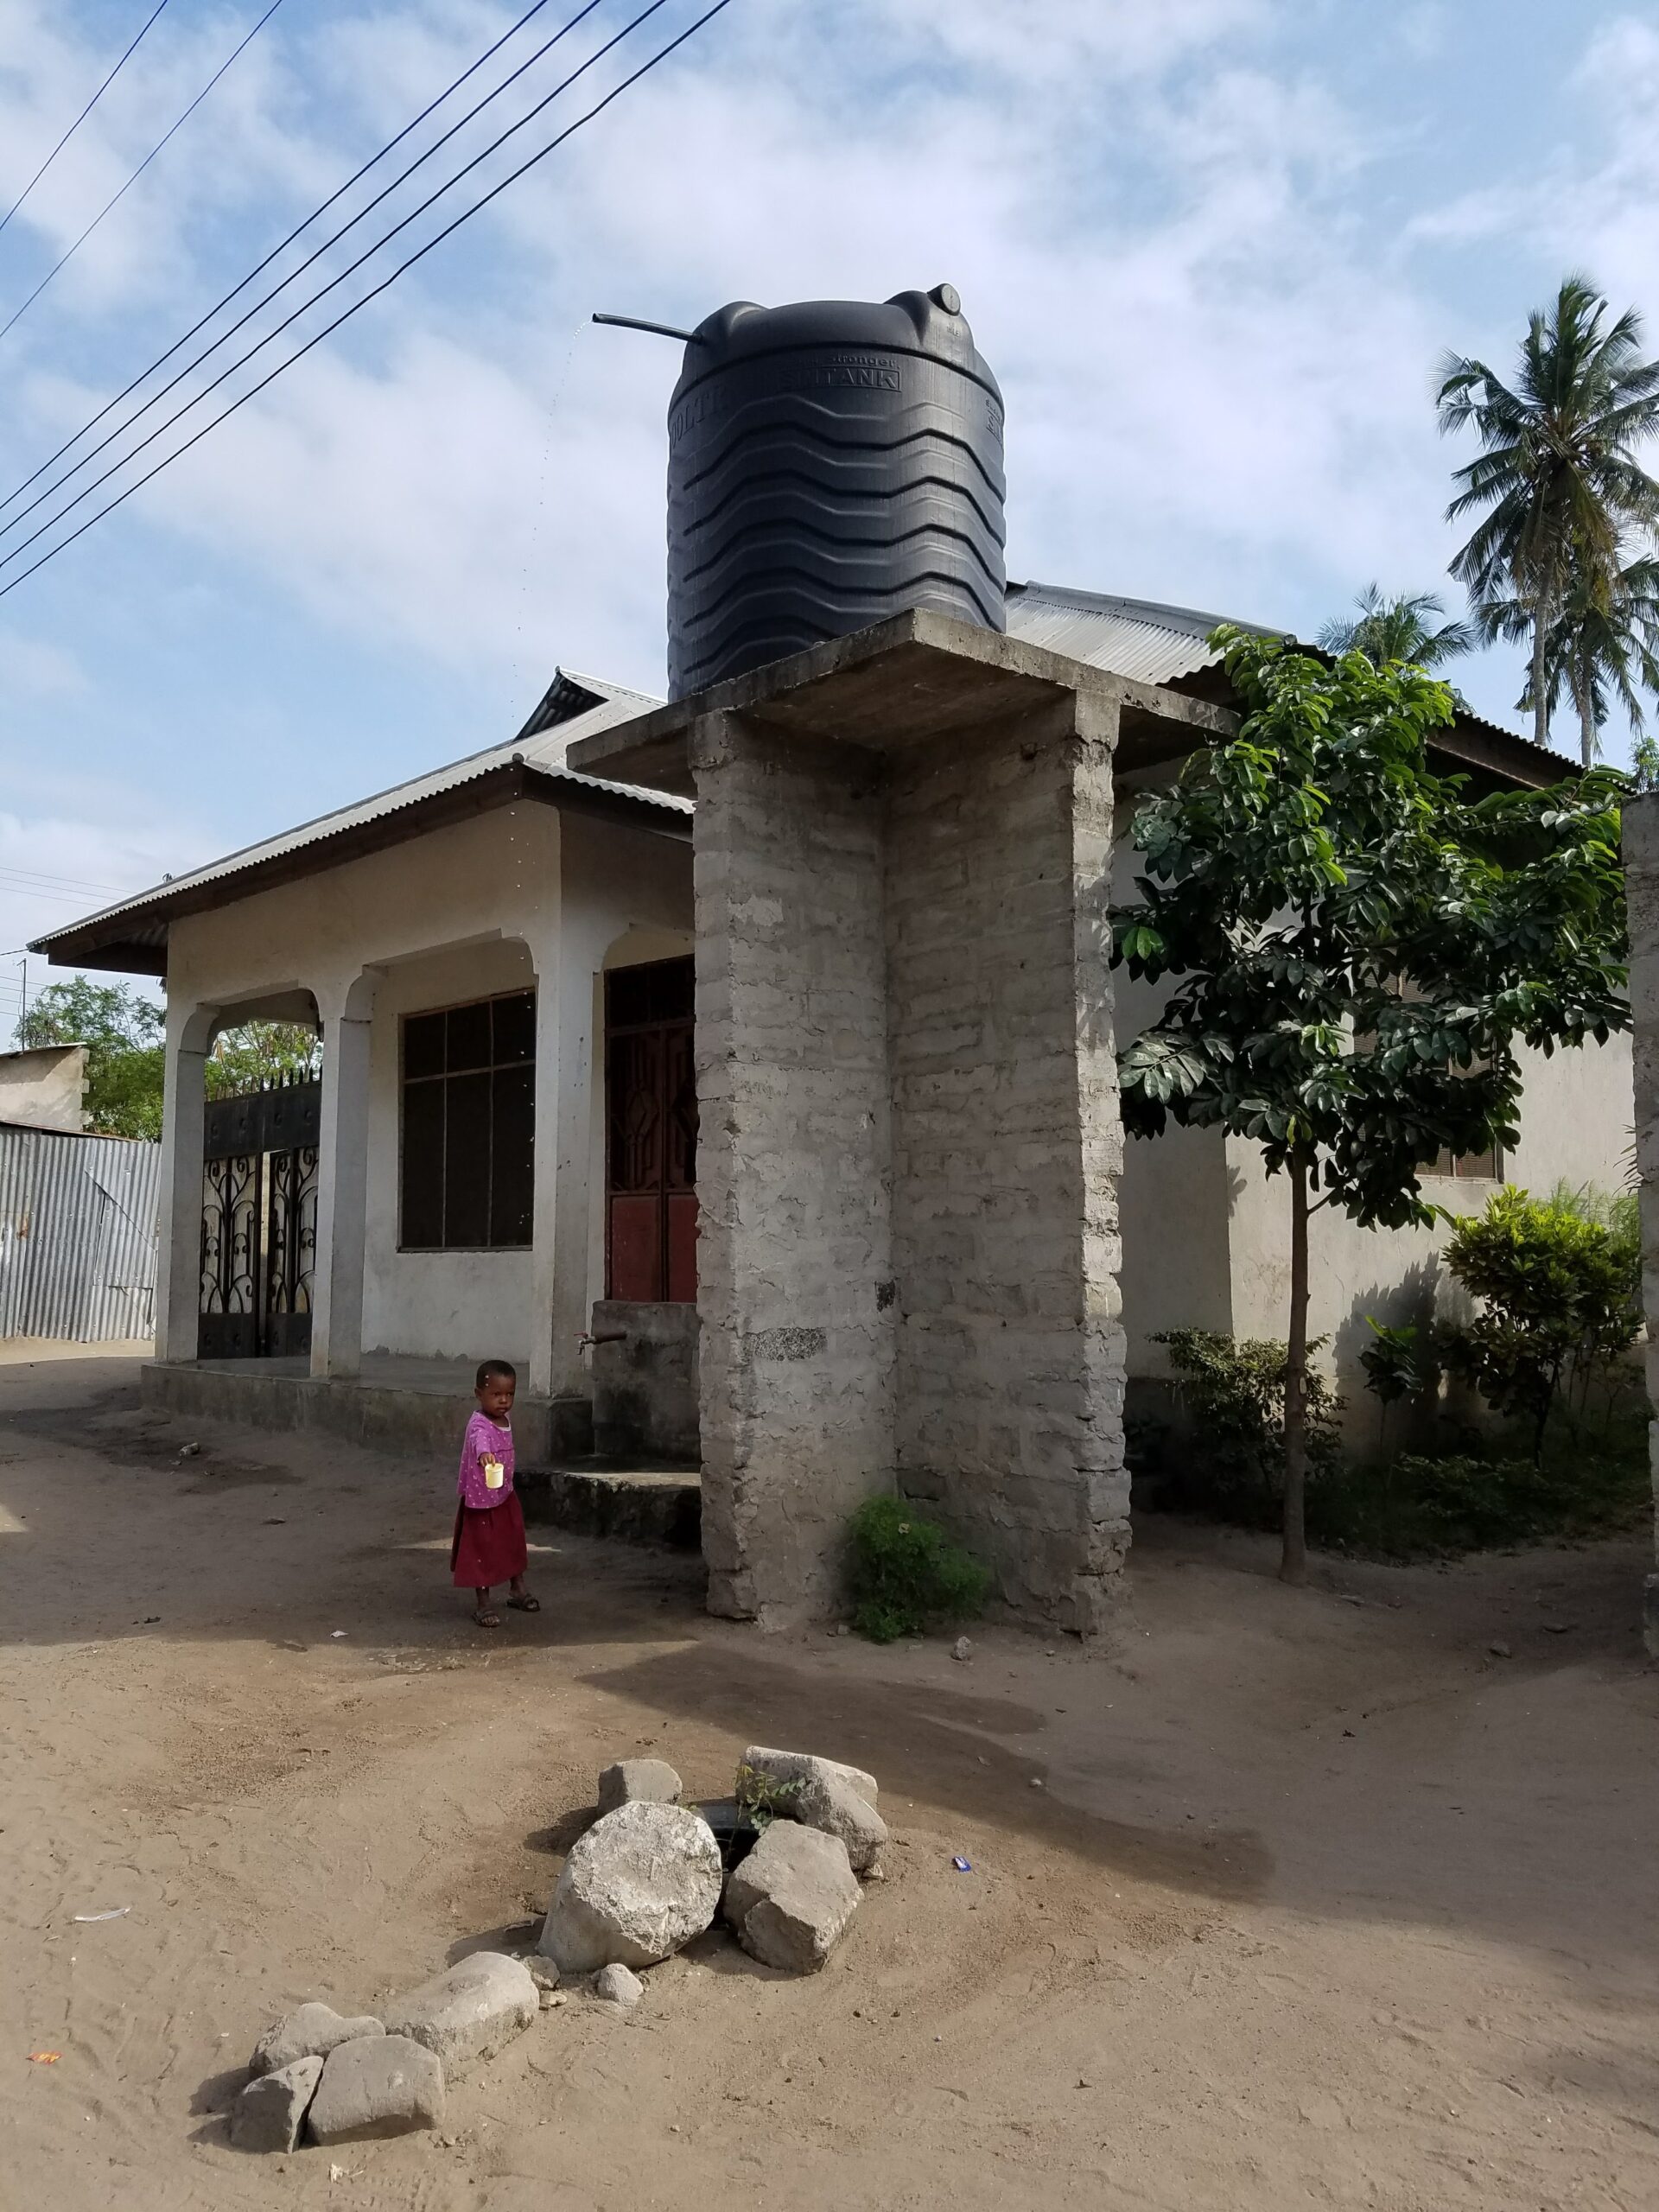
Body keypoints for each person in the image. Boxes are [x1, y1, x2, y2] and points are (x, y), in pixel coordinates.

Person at [451, 1358, 537, 1628]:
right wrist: (485, 1455)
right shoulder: (479, 1424)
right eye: (496, 1394)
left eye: (509, 1394)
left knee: (513, 1540)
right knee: (481, 1549)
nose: (503, 1401)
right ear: (479, 1395)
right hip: (481, 1501)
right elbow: (481, 1441)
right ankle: (483, 1602)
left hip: (504, 1494)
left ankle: (517, 1587)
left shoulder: (504, 1418)